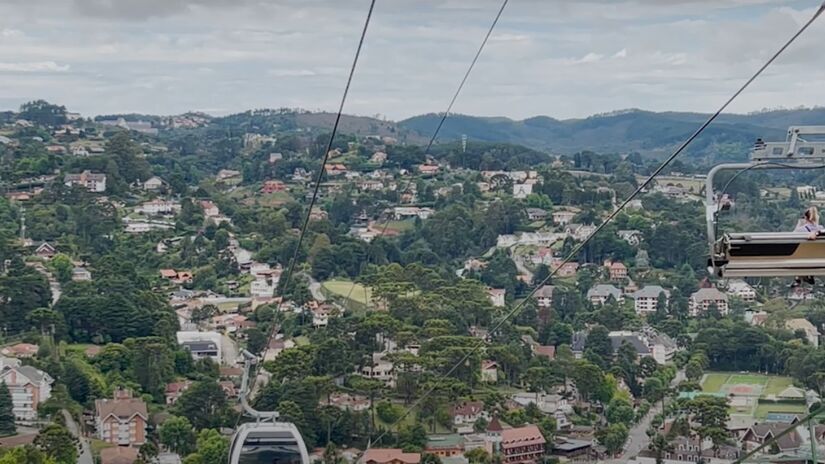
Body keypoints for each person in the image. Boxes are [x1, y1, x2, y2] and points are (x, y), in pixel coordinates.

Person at [792, 206, 824, 287]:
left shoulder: (800, 230)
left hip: (804, 258)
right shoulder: (820, 228)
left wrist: (799, 224)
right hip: (818, 257)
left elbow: (792, 237)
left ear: (806, 218)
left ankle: (799, 277)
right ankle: (802, 277)